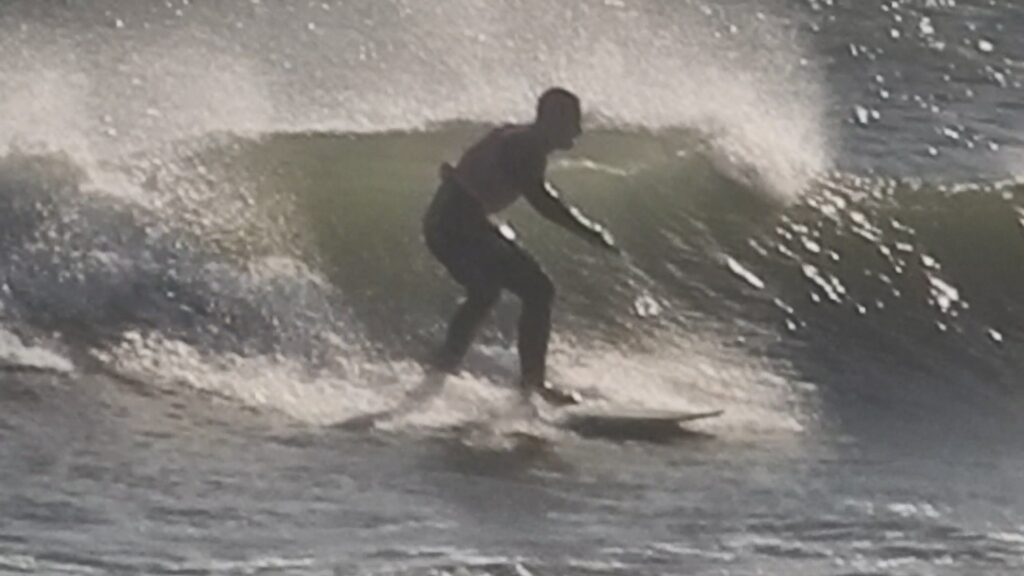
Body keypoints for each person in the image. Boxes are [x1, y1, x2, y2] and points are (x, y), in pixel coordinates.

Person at [422, 87, 619, 406]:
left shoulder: (517, 137)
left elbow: (470, 168)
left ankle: (442, 367)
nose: (578, 131)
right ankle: (533, 385)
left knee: (485, 292)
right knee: (537, 289)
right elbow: (541, 201)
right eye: (573, 122)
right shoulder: (524, 146)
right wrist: (589, 232)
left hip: (452, 221)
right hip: (456, 223)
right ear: (553, 120)